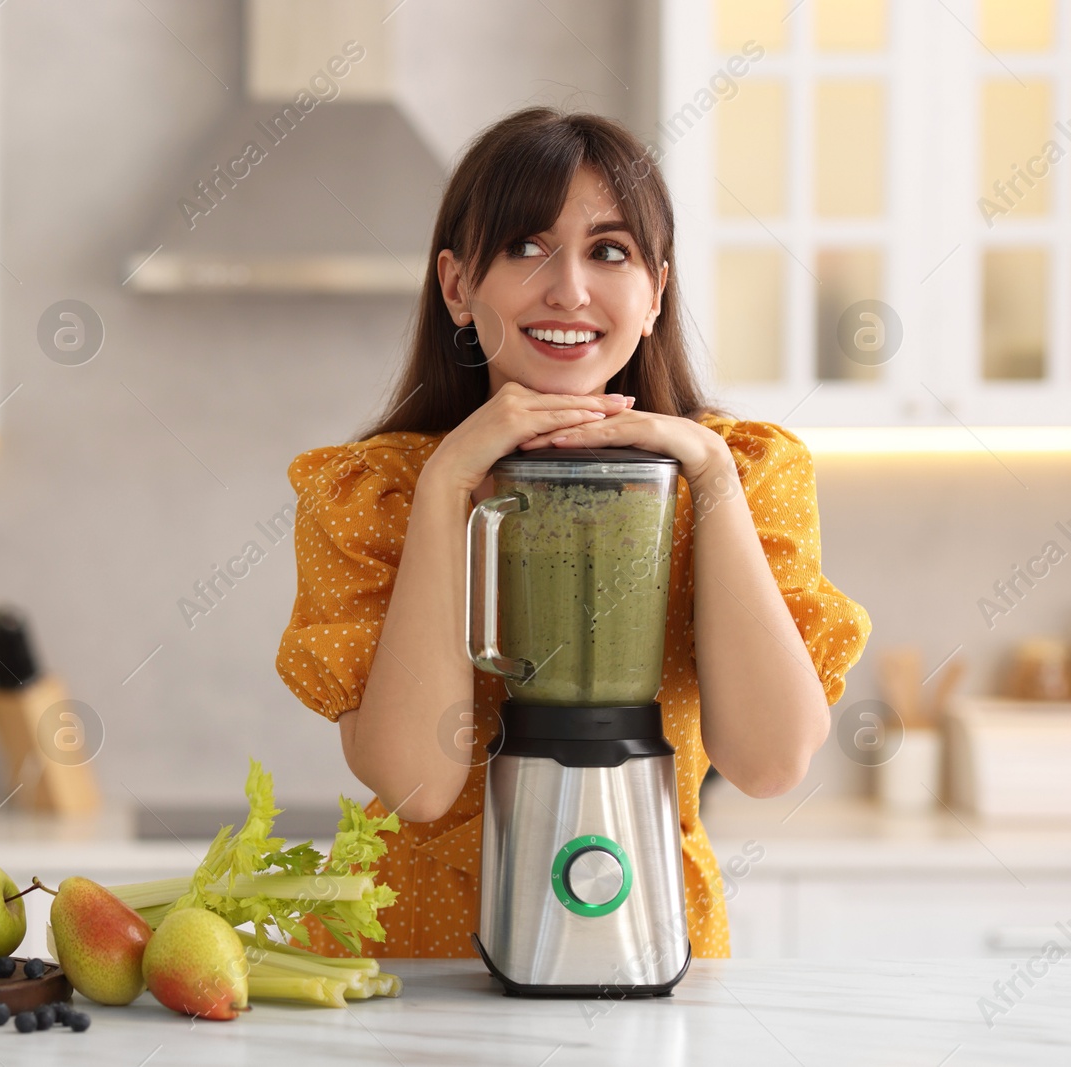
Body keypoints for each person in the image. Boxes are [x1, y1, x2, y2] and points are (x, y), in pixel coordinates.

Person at [275, 107, 871, 959]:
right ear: (456, 286)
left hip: (649, 936)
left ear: (656, 289)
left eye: (609, 250)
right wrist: (449, 479)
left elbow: (770, 763)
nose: (569, 290)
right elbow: (418, 782)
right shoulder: (372, 493)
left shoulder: (740, 470)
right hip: (416, 962)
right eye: (525, 246)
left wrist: (707, 476)